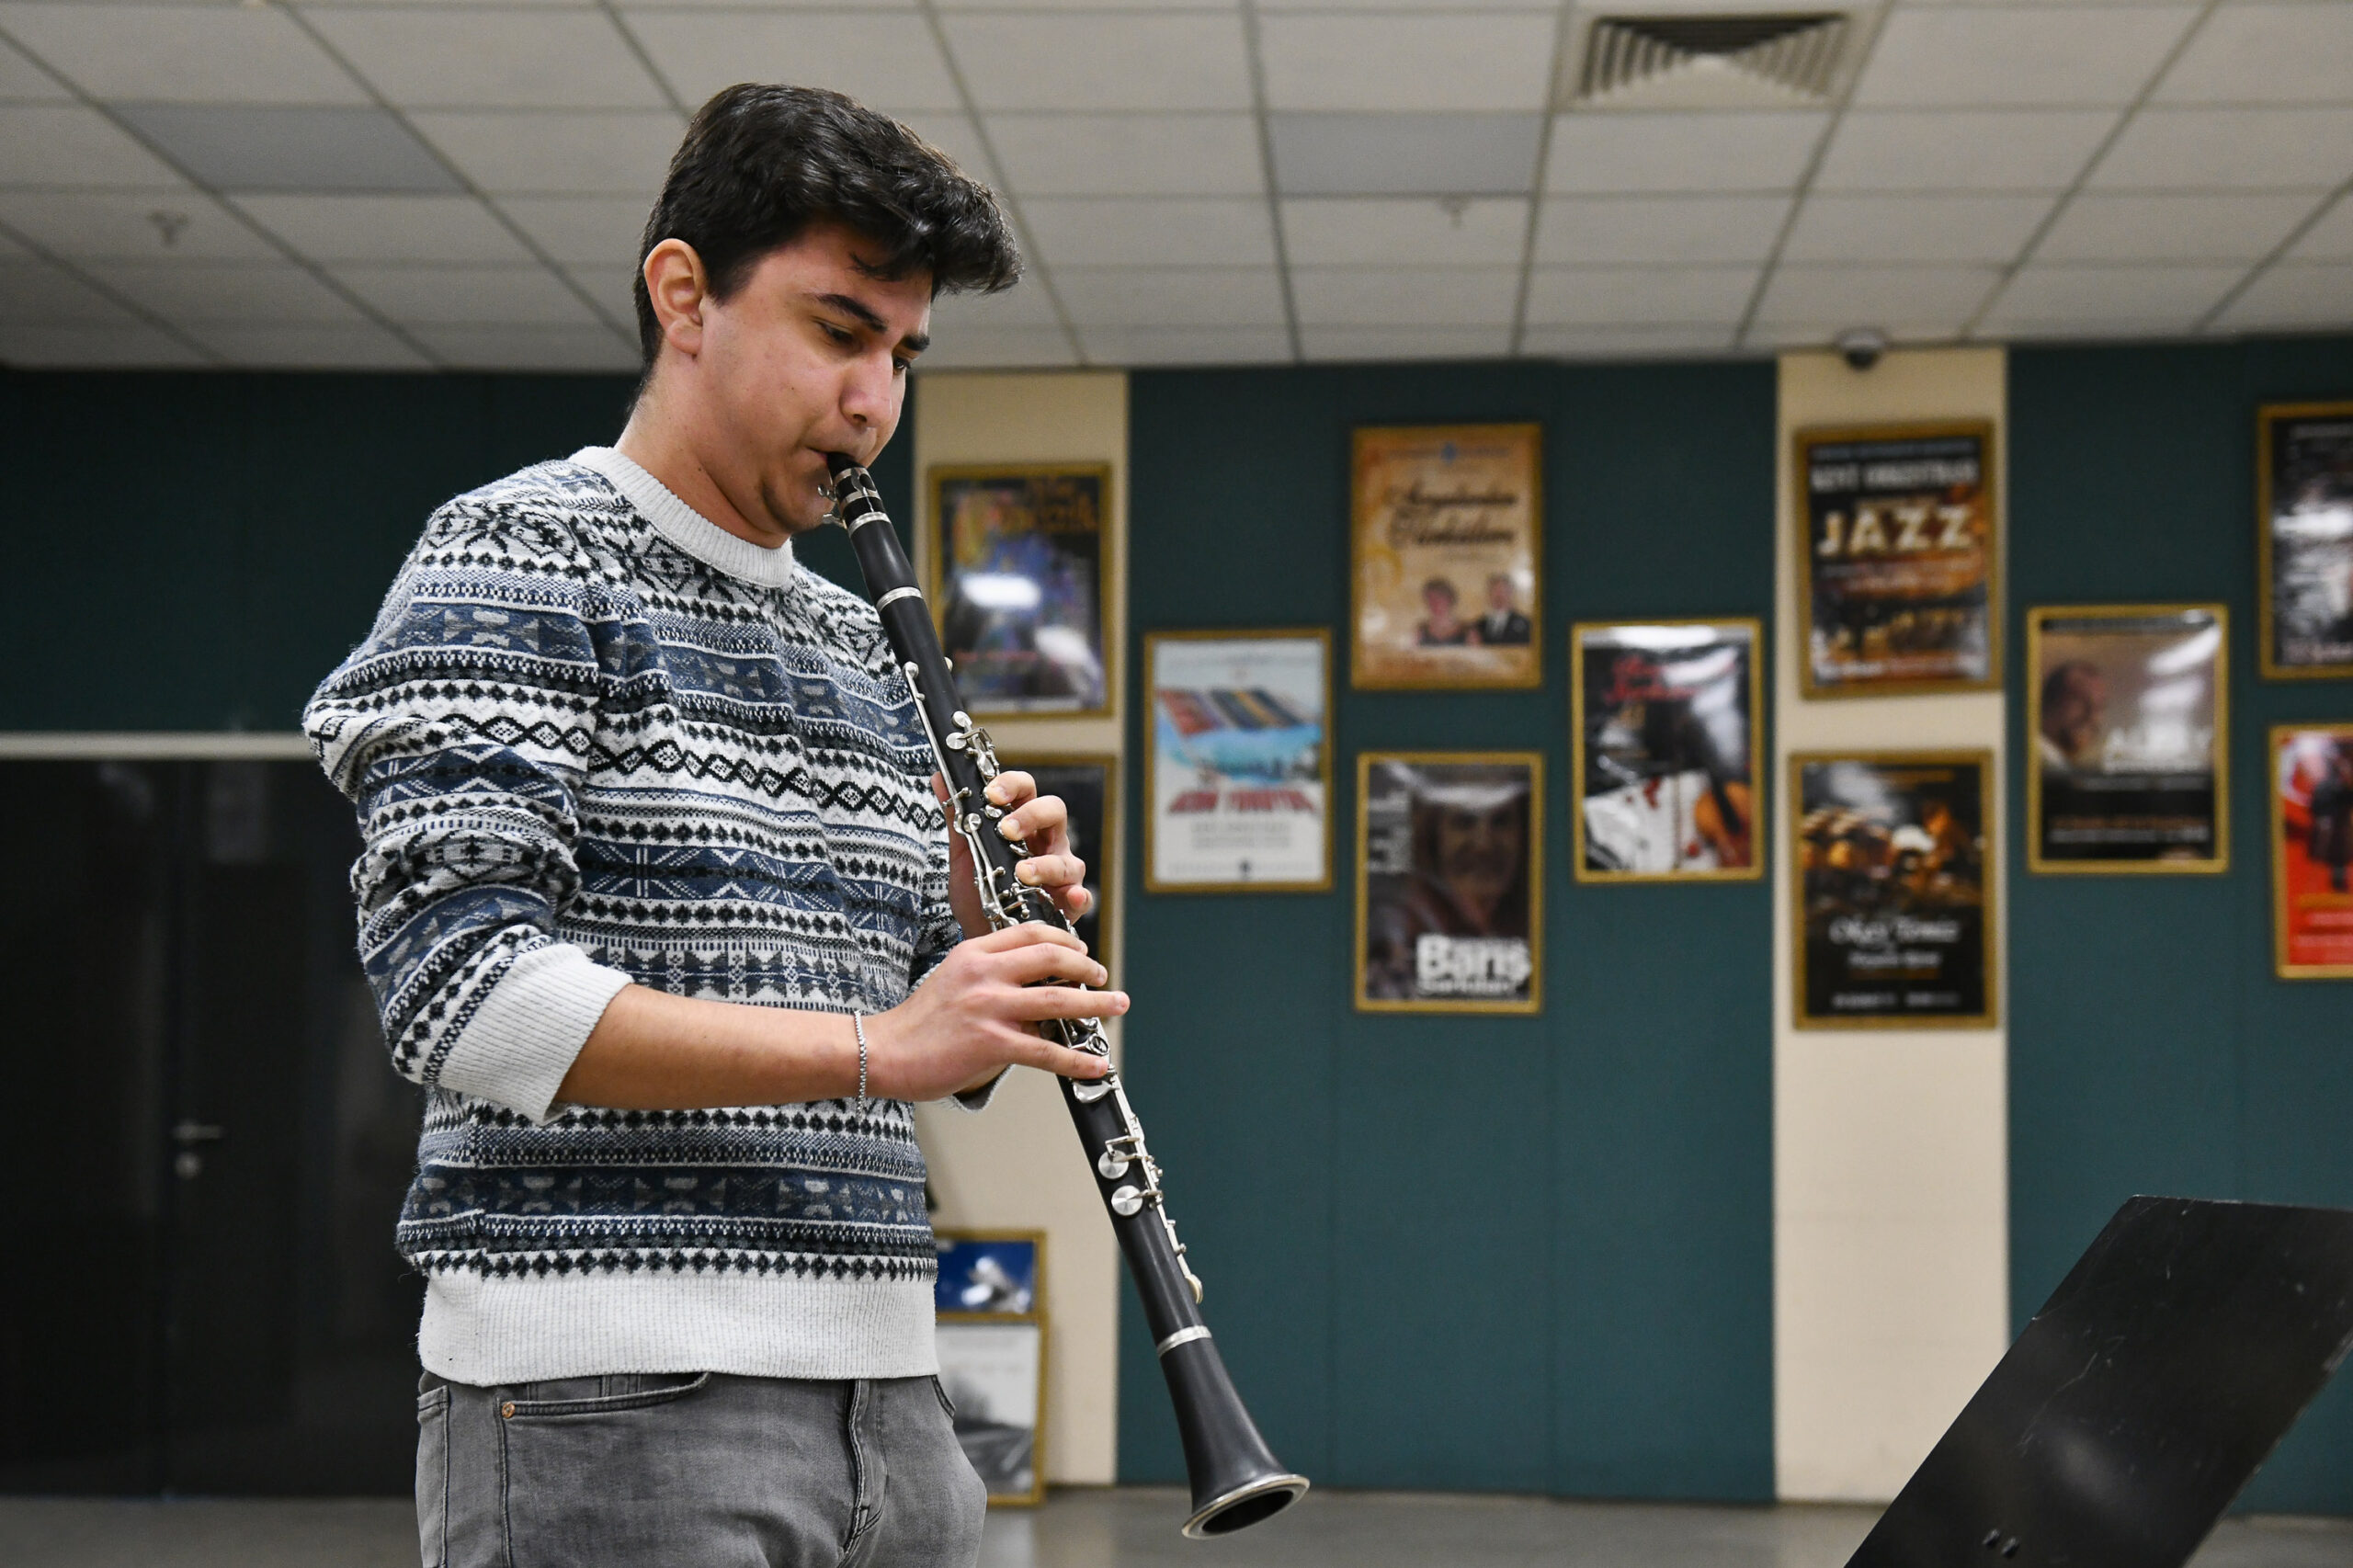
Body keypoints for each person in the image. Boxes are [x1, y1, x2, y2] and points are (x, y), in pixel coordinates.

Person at [301, 85, 1121, 1568]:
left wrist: (976, 925)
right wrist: (888, 1044)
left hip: (889, 1396)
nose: (875, 399)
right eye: (837, 331)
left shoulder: (873, 640)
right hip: (604, 1396)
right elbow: (462, 995)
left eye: (903, 353)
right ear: (683, 293)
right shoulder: (516, 550)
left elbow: (934, 1039)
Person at [2038, 659, 2107, 773]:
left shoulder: (2060, 764)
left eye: (2099, 706)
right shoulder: (2034, 760)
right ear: (2049, 703)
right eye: (2080, 700)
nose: (2092, 716)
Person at [1473, 572, 1532, 645]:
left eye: (1503, 590)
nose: (1499, 595)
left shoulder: (1525, 624)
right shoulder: (1479, 625)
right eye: (1495, 590)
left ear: (1511, 593)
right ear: (1489, 594)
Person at [1415, 576, 1470, 644]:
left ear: (1450, 599)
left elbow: (1476, 654)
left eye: (1439, 599)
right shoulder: (1421, 632)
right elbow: (1412, 654)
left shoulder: (1467, 632)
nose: (1435, 603)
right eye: (1430, 599)